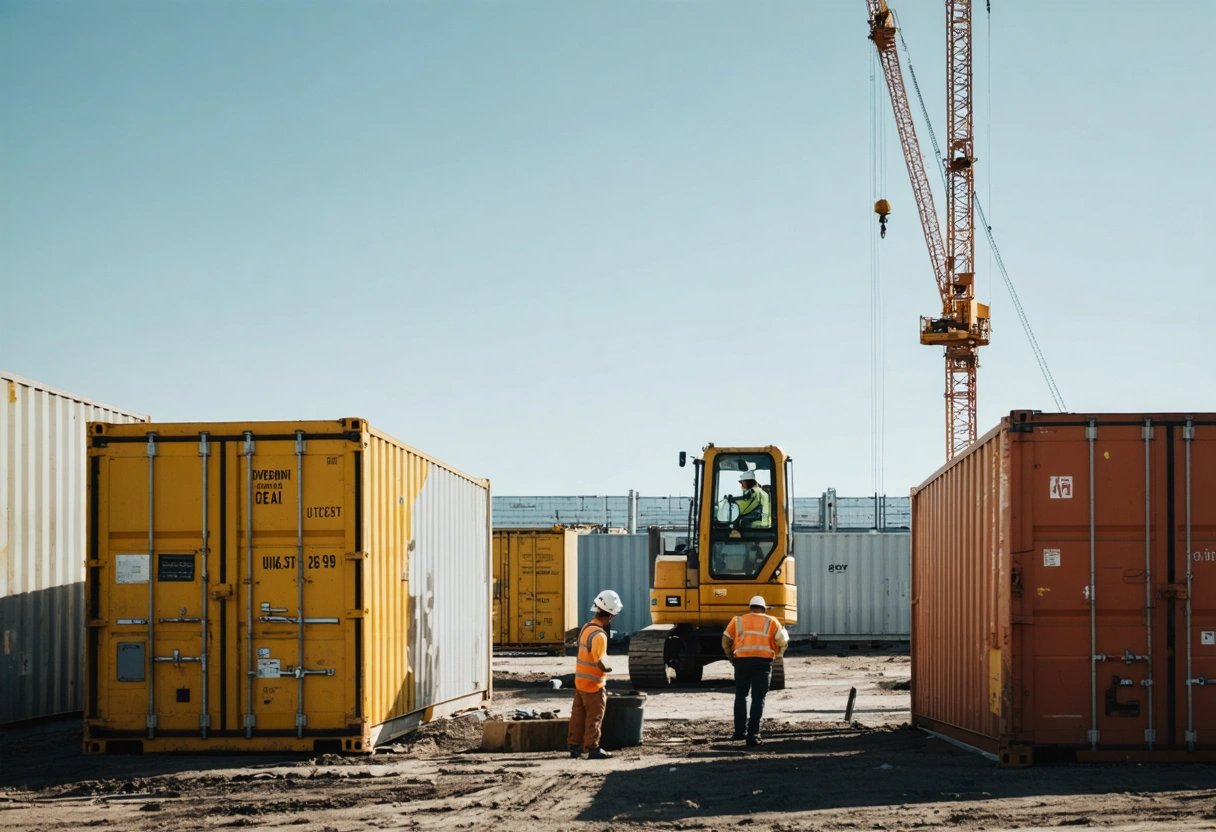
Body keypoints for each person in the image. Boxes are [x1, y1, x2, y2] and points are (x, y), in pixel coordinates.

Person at [722, 595, 788, 746]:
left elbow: (726, 639)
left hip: (742, 662)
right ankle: (753, 734)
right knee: (758, 698)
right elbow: (783, 642)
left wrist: (731, 656)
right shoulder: (772, 621)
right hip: (763, 663)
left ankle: (739, 732)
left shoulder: (737, 620)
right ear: (764, 609)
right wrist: (776, 655)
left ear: (750, 607)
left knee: (741, 696)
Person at [568, 589, 623, 760]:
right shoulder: (599, 635)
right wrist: (610, 668)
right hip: (594, 686)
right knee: (594, 717)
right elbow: (600, 661)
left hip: (580, 682)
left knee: (578, 715)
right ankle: (592, 747)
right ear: (610, 615)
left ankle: (574, 747)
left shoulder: (586, 628)